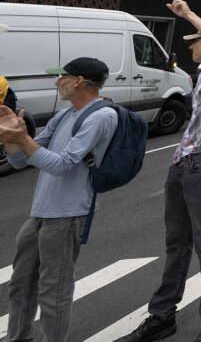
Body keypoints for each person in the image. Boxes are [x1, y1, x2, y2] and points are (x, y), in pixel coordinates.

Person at [118, 0, 201, 342]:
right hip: (183, 161)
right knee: (177, 242)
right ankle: (162, 316)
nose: (190, 46)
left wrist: (189, 13)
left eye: (195, 42)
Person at [0, 58, 119, 342]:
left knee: (54, 290)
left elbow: (62, 164)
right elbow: (20, 161)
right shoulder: (65, 115)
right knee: (21, 283)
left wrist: (23, 138)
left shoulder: (101, 117)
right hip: (41, 211)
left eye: (61, 77)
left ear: (78, 80)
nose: (56, 83)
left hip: (68, 215)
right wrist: (11, 137)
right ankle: (18, 337)